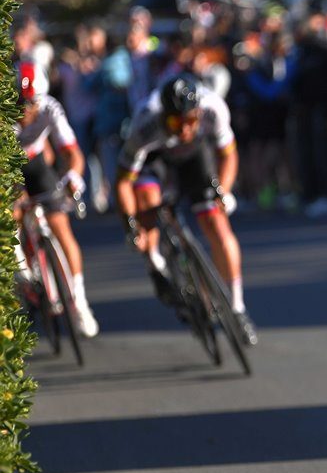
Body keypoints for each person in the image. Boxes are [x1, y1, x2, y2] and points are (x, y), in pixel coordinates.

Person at [114, 73, 257, 345]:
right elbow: (123, 182)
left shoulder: (213, 108)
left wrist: (224, 192)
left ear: (198, 112)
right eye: (175, 122)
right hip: (154, 159)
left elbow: (228, 154)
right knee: (147, 200)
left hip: (193, 157)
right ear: (164, 116)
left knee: (217, 224)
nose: (183, 130)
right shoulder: (146, 121)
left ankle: (237, 307)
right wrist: (131, 226)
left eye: (190, 121)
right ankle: (155, 263)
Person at [14, 62, 99, 338]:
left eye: (32, 106)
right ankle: (21, 268)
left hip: (36, 162)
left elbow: (72, 151)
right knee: (11, 213)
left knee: (60, 225)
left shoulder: (50, 107)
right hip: (8, 166)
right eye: (20, 105)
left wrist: (74, 176)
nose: (26, 113)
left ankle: (80, 302)